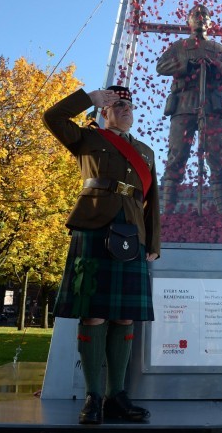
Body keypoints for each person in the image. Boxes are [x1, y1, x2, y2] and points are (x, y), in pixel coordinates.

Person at [43, 85, 160, 425]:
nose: (125, 109)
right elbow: (52, 117)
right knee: (93, 314)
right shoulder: (87, 139)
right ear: (104, 111)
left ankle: (116, 396)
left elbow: (151, 201)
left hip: (132, 232)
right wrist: (89, 98)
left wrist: (153, 242)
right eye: (118, 104)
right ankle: (94, 395)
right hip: (93, 228)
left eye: (128, 105)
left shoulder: (145, 152)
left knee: (125, 316)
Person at [156, 4, 222, 214]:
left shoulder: (218, 49)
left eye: (205, 15)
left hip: (212, 106)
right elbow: (161, 66)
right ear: (189, 21)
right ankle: (168, 213)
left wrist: (216, 65)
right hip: (183, 105)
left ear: (210, 23)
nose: (200, 18)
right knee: (176, 156)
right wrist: (187, 65)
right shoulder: (179, 47)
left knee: (218, 158)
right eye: (196, 15)